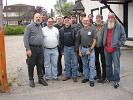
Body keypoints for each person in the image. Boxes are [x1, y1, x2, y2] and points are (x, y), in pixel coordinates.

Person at [23, 13, 48, 87]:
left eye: (39, 17)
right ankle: (31, 79)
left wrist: (43, 49)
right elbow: (25, 39)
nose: (38, 18)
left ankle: (40, 79)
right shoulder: (29, 27)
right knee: (31, 64)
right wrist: (28, 49)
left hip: (40, 48)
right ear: (34, 18)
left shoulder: (41, 26)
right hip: (32, 48)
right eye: (36, 17)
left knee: (40, 64)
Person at [103, 13, 126, 88]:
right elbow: (103, 35)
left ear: (114, 18)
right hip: (106, 48)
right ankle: (109, 78)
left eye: (112, 17)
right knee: (108, 65)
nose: (110, 19)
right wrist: (103, 43)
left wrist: (118, 44)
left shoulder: (119, 26)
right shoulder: (105, 25)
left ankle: (116, 81)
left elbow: (123, 37)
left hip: (115, 49)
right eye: (109, 17)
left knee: (116, 66)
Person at [78, 17, 96, 87]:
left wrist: (90, 50)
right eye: (84, 21)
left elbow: (94, 40)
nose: (85, 22)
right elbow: (79, 42)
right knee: (85, 65)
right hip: (83, 49)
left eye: (87, 21)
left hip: (90, 49)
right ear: (82, 22)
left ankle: (91, 79)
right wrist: (79, 51)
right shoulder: (80, 30)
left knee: (91, 65)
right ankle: (86, 77)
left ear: (89, 22)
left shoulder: (92, 30)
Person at [60, 16, 78, 82]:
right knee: (67, 63)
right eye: (65, 20)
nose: (67, 21)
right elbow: (60, 40)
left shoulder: (74, 29)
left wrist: (76, 48)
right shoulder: (61, 30)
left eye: (68, 20)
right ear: (64, 21)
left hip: (73, 48)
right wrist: (62, 50)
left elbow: (77, 40)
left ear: (70, 21)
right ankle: (67, 75)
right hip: (65, 48)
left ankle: (74, 76)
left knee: (74, 63)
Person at [94, 14, 106, 83]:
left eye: (99, 18)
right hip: (95, 46)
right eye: (96, 18)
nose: (97, 19)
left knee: (103, 61)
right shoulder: (94, 26)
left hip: (102, 46)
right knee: (96, 61)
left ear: (101, 19)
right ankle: (98, 75)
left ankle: (104, 76)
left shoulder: (104, 26)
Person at [74, 12, 86, 77]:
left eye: (84, 16)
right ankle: (80, 71)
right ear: (80, 18)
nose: (82, 17)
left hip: (86, 44)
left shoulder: (88, 24)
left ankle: (86, 71)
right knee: (79, 59)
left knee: (86, 59)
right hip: (79, 44)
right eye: (81, 16)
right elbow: (76, 35)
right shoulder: (77, 25)